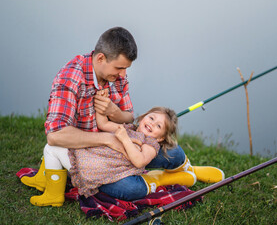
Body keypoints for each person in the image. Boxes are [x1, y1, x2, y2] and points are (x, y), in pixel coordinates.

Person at [21, 26, 224, 205]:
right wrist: (109, 139)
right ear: (100, 58)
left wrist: (113, 112)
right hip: (93, 156)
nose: (123, 76)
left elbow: (129, 118)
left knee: (174, 151)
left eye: (126, 69)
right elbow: (55, 136)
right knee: (131, 190)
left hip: (126, 148)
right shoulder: (69, 79)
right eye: (119, 68)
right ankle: (161, 178)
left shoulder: (117, 75)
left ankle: (190, 170)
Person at [29, 105, 197, 207]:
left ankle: (53, 194)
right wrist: (102, 106)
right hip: (96, 157)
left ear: (160, 137)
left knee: (52, 148)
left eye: (158, 125)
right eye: (151, 117)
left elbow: (139, 161)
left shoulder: (150, 145)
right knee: (54, 146)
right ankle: (44, 179)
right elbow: (104, 124)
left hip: (99, 168)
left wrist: (124, 139)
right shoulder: (130, 128)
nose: (152, 123)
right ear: (144, 116)